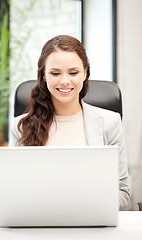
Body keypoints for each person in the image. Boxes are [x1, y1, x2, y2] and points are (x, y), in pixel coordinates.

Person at [9, 35, 130, 210]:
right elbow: (13, 193)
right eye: (55, 73)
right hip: (39, 222)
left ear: (85, 73)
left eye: (73, 72)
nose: (65, 81)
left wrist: (83, 207)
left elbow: (123, 195)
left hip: (92, 223)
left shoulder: (110, 122)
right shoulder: (20, 126)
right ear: (44, 75)